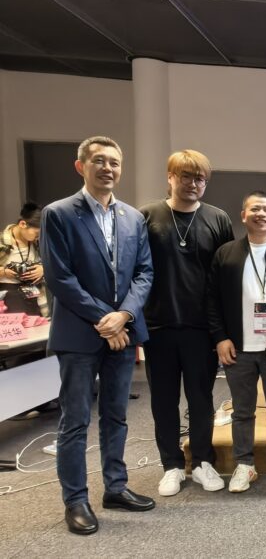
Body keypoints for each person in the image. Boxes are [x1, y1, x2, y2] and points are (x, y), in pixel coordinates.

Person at [39, 136, 155, 535]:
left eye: (115, 163)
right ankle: (76, 500)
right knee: (74, 420)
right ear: (81, 166)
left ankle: (116, 487)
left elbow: (144, 273)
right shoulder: (58, 214)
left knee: (117, 416)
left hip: (122, 332)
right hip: (80, 334)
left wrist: (123, 315)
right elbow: (59, 278)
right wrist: (105, 320)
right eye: (100, 161)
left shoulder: (133, 218)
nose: (108, 168)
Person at [140, 150, 234, 496]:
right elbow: (136, 272)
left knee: (200, 398)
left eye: (199, 178)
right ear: (170, 177)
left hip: (201, 328)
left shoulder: (218, 218)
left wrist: (223, 330)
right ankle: (171, 466)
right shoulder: (147, 216)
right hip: (158, 326)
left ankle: (203, 462)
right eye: (185, 176)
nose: (192, 184)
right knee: (163, 400)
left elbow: (225, 276)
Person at [208, 191, 266, 492]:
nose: (261, 214)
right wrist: (220, 338)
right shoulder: (226, 254)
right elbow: (211, 301)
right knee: (242, 410)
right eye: (255, 209)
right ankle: (244, 464)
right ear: (243, 215)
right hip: (239, 347)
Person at [0, 202, 47, 316]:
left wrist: (43, 269)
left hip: (34, 292)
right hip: (8, 294)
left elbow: (55, 263)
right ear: (22, 224)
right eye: (36, 234)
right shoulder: (2, 241)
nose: (38, 238)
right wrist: (3, 272)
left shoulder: (37, 243)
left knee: (38, 329)